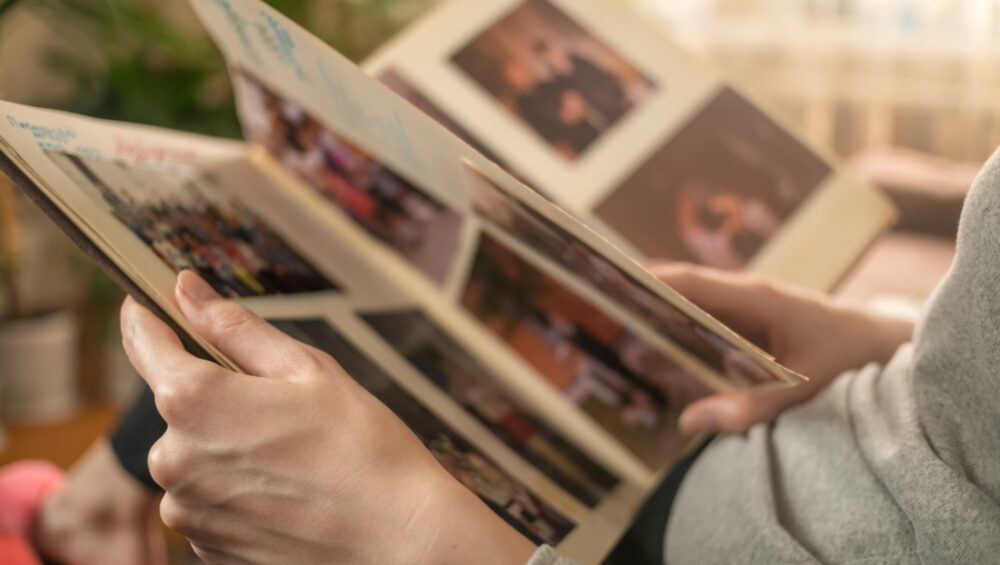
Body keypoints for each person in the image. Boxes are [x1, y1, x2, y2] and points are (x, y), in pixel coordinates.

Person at [22, 148, 1000, 563]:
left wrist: (411, 534)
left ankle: (76, 510)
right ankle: (91, 504)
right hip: (785, 439)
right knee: (397, 232)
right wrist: (897, 336)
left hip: (723, 519)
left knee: (361, 294)